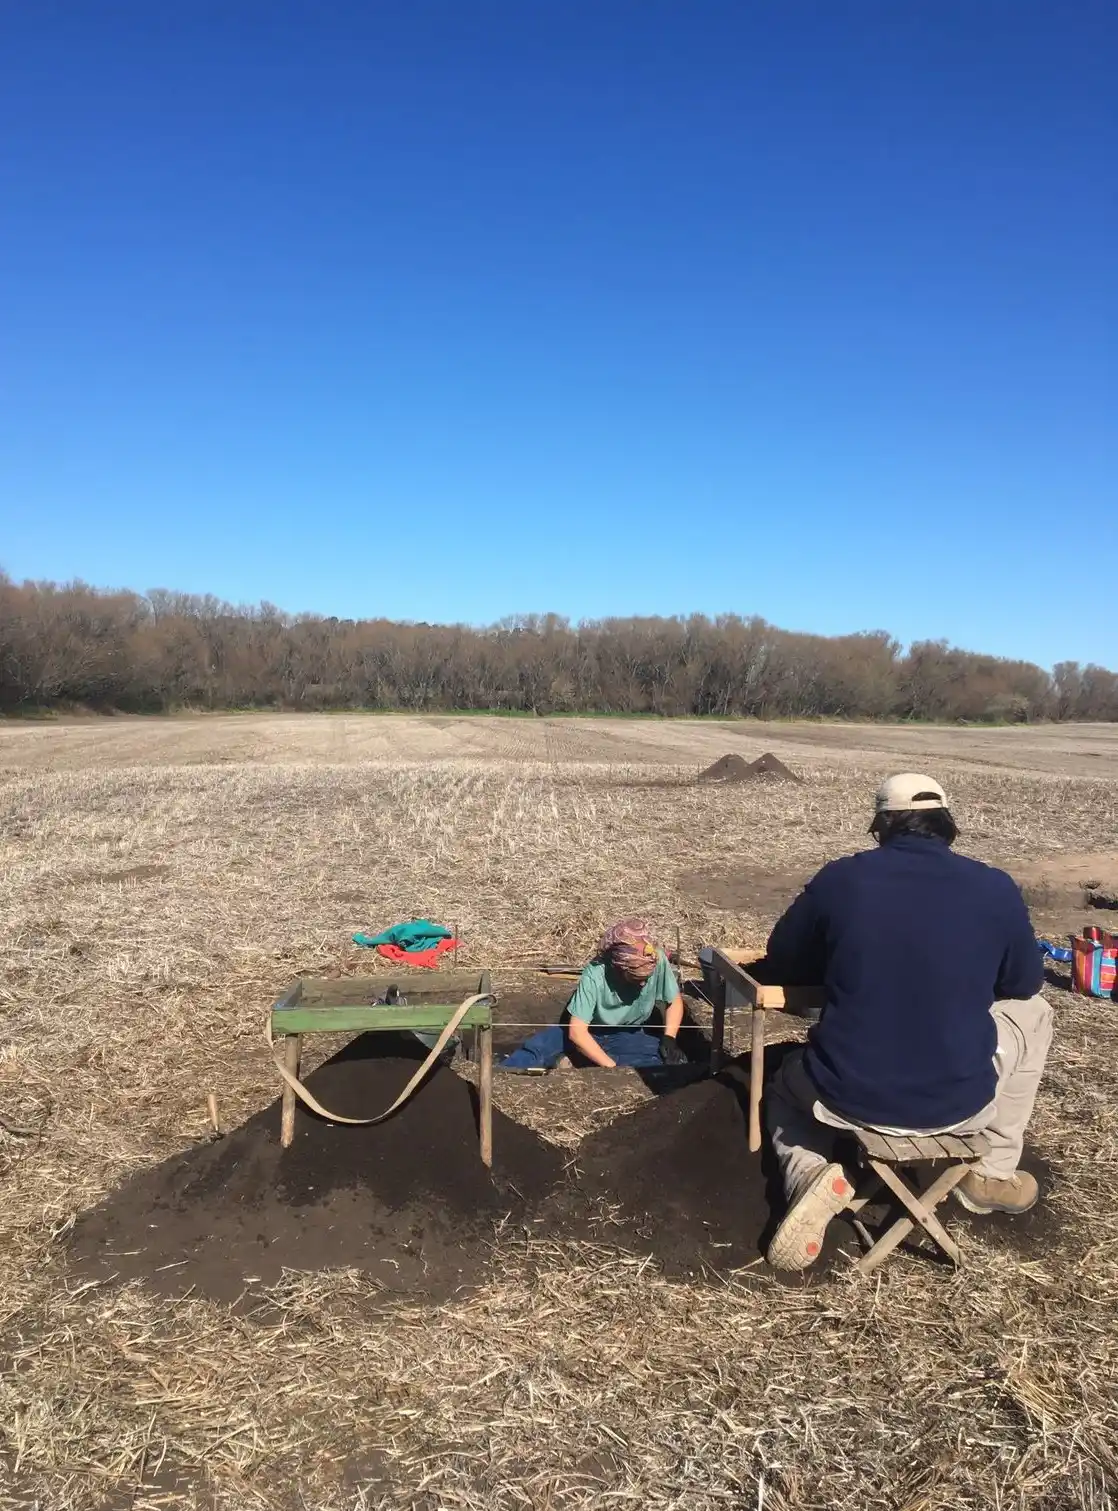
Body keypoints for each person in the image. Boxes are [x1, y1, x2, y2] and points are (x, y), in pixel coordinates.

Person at [761, 773, 1051, 1271]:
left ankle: (810, 1172)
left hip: (846, 1099)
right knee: (1035, 1013)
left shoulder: (842, 879)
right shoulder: (995, 887)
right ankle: (992, 1172)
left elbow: (782, 959)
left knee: (781, 1090)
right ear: (947, 825)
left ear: (882, 825)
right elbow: (1024, 984)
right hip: (960, 1104)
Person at [500, 919, 689, 1070]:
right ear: (618, 967)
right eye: (635, 978)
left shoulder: (657, 959)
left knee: (663, 1062)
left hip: (628, 1033)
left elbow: (674, 1001)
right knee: (537, 1049)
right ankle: (501, 1075)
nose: (642, 983)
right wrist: (613, 1069)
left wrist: (669, 1038)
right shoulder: (596, 972)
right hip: (590, 1030)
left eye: (646, 979)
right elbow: (577, 1031)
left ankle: (577, 1062)